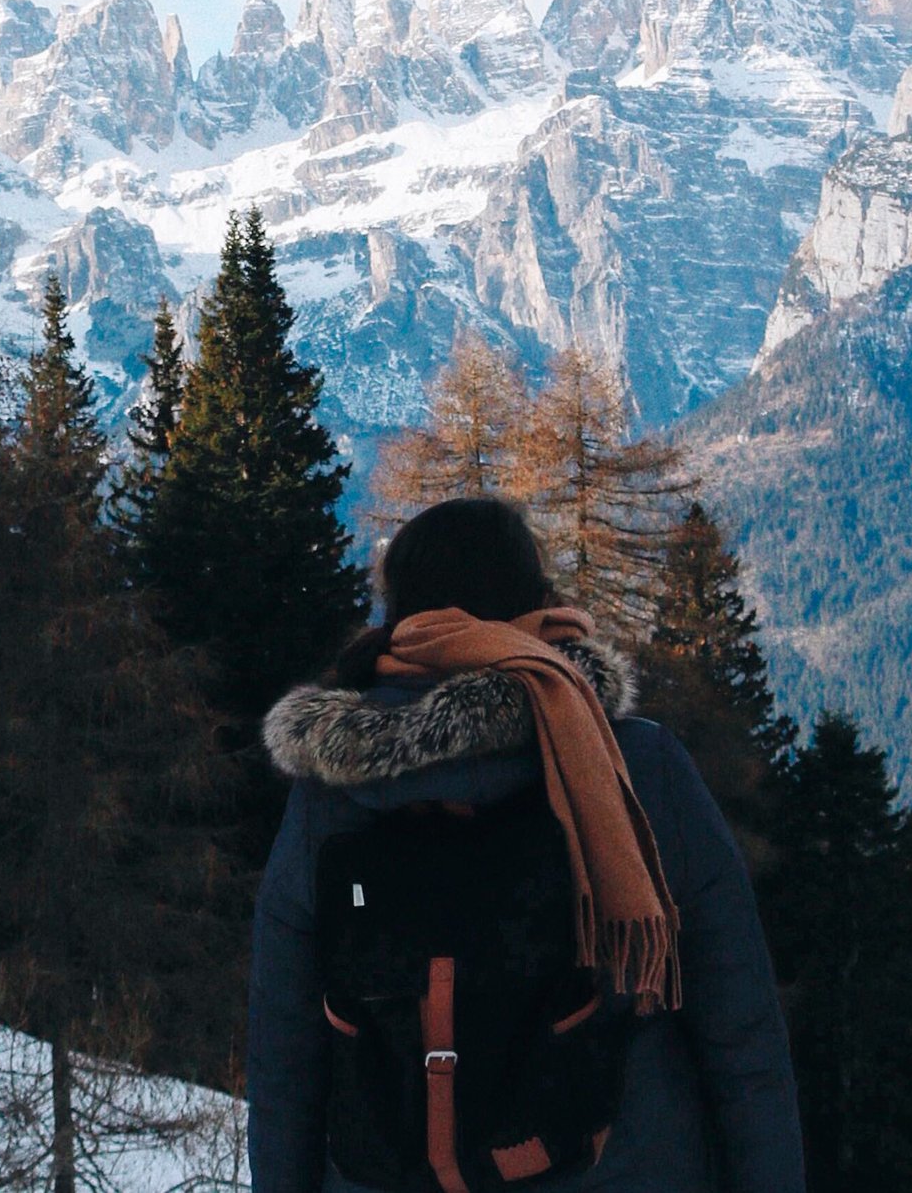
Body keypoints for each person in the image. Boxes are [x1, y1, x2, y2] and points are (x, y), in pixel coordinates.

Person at [248, 496, 805, 1193]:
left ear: (401, 619)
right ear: (535, 606)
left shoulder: (329, 800)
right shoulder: (635, 770)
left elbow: (285, 1062)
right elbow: (741, 1036)